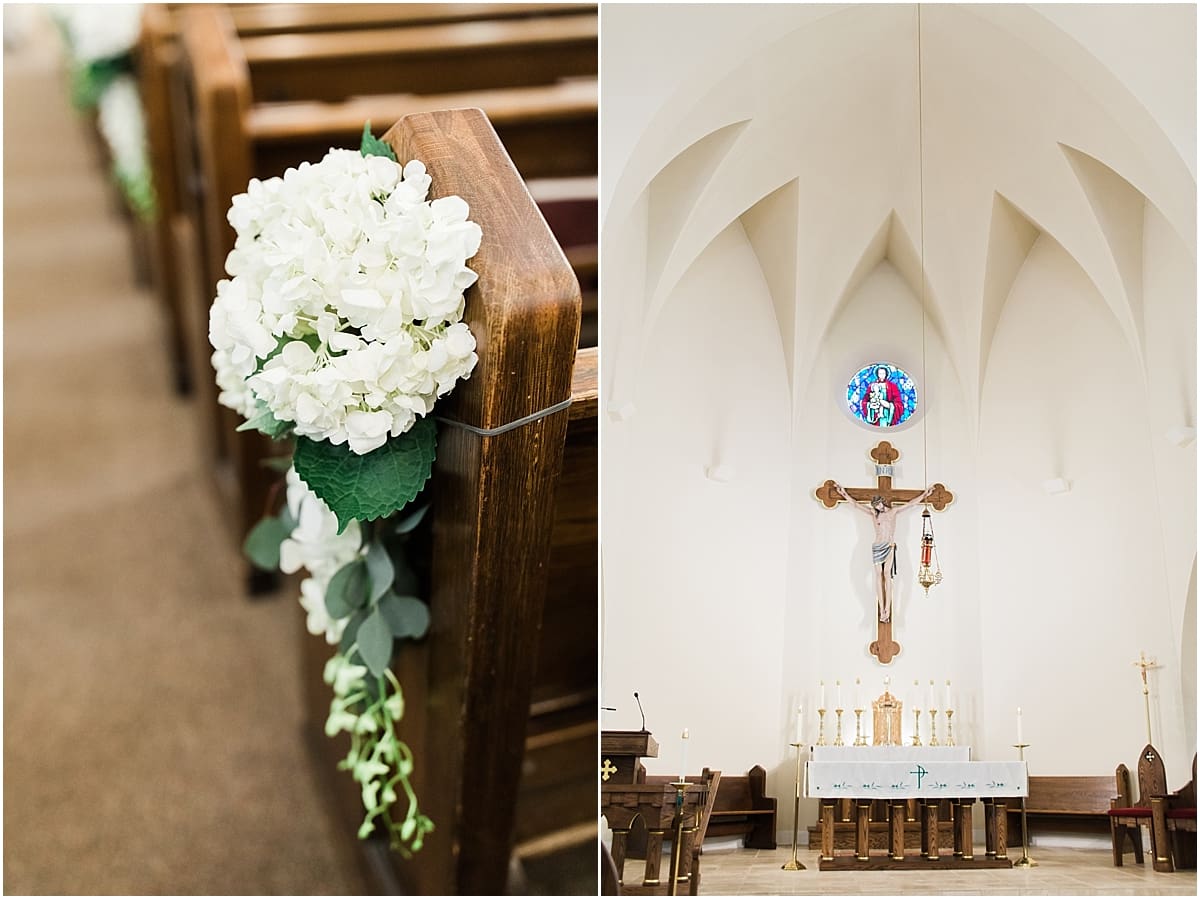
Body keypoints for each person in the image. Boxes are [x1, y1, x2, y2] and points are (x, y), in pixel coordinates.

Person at [833, 482, 933, 623]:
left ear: (882, 502)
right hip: (877, 547)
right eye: (875, 506)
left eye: (878, 505)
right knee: (878, 576)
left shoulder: (893, 512)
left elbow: (910, 504)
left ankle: (888, 607)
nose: (877, 508)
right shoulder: (874, 514)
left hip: (889, 545)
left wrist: (924, 495)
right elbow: (856, 505)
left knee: (887, 574)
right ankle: (881, 609)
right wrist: (844, 494)